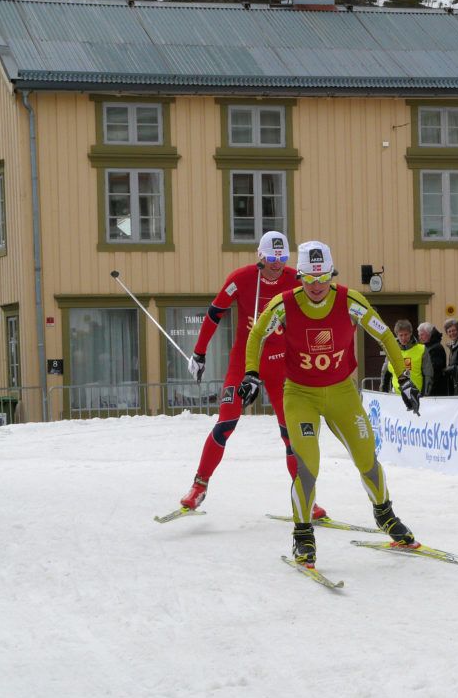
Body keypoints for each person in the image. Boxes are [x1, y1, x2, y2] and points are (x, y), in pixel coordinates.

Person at [241, 240, 421, 566]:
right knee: (308, 465)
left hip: (341, 393)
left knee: (366, 456)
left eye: (323, 278)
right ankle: (303, 534)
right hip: (301, 395)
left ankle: (385, 515)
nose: (317, 287)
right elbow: (256, 335)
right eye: (310, 279)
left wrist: (404, 379)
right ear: (300, 277)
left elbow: (384, 335)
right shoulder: (284, 304)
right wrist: (251, 373)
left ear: (332, 275)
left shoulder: (350, 300)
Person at [179, 231, 325, 520]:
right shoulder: (242, 278)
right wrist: (199, 353)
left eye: (282, 258)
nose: (277, 264)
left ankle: (307, 498)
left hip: (281, 363)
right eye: (271, 257)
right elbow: (214, 313)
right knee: (226, 423)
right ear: (260, 256)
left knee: (291, 434)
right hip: (245, 362)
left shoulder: (296, 279)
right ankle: (199, 485)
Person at [381, 319, 425, 394]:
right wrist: (383, 392)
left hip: (416, 394)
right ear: (397, 335)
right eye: (401, 335)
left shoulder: (421, 349)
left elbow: (427, 374)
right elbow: (385, 373)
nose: (403, 338)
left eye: (406, 334)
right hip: (396, 394)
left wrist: (425, 393)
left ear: (410, 333)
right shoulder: (391, 350)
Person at [417, 321, 447, 396]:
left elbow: (434, 368)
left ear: (429, 334)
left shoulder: (436, 348)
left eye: (422, 335)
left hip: (435, 388)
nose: (420, 337)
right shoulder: (425, 347)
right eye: (419, 335)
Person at [443, 318, 458, 395]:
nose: (452, 333)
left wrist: (450, 369)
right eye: (449, 331)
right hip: (455, 384)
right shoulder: (452, 346)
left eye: (454, 330)